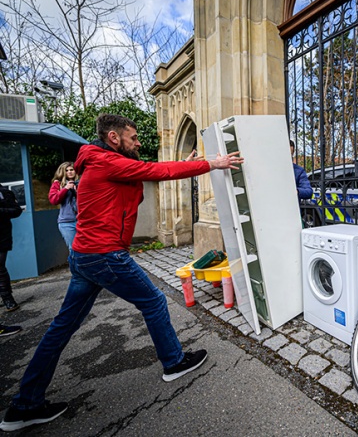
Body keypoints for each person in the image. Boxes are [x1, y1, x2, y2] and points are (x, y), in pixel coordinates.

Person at [0, 114, 244, 432]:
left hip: (86, 257)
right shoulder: (103, 160)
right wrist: (214, 163)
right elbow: (152, 171)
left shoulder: (103, 161)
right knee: (154, 302)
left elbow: (141, 174)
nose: (139, 141)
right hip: (104, 255)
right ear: (114, 137)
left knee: (61, 327)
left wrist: (184, 163)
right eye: (133, 136)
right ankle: (173, 362)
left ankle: (24, 405)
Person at [0, 182, 23, 312]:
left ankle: (7, 298)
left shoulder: (3, 192)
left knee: (0, 266)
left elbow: (16, 210)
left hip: (2, 235)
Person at [48, 162, 79, 250]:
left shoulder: (81, 183)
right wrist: (65, 188)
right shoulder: (58, 184)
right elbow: (54, 200)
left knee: (87, 248)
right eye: (66, 170)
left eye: (71, 170)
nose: (69, 172)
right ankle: (74, 264)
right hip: (67, 222)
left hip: (82, 220)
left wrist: (76, 191)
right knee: (73, 248)